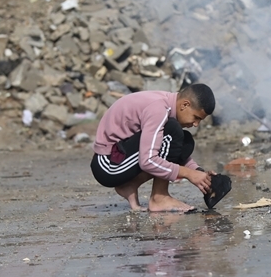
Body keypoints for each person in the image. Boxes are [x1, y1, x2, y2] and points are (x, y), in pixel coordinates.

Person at [91, 83, 215, 212]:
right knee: (173, 131)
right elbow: (148, 161)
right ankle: (159, 198)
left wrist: (199, 172)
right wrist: (188, 174)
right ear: (185, 105)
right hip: (107, 165)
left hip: (121, 155)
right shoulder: (158, 109)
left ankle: (130, 185)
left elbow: (173, 148)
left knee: (185, 141)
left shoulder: (166, 103)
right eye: (196, 117)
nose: (196, 124)